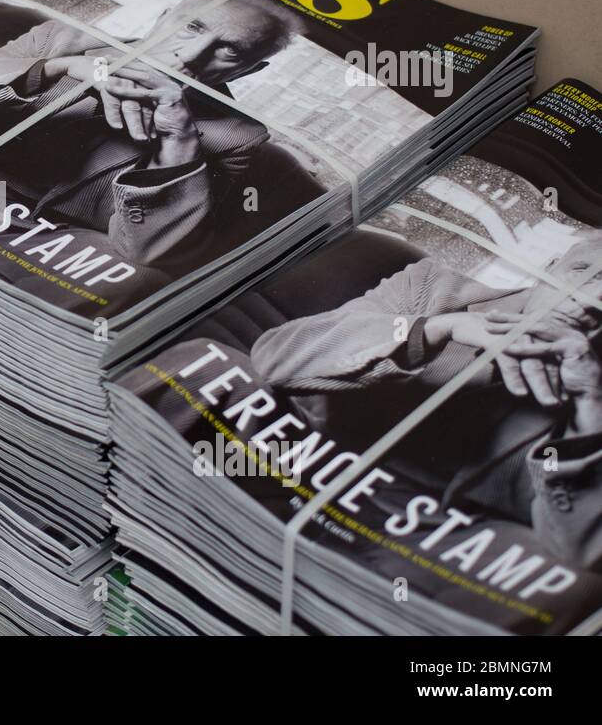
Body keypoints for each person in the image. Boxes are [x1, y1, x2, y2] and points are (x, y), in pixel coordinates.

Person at [249, 233, 602, 568]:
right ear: (550, 267)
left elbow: (577, 553)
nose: (589, 296)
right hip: (291, 467)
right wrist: (432, 330)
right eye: (583, 271)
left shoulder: (594, 402)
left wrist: (588, 410)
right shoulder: (432, 287)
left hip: (410, 545)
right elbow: (276, 359)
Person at [0, 0, 301, 268]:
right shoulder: (63, 41)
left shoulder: (236, 135)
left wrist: (179, 140)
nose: (191, 55)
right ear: (164, 16)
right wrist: (55, 69)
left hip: (27, 243)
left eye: (230, 51)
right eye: (192, 27)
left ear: (251, 69)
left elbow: (149, 252)